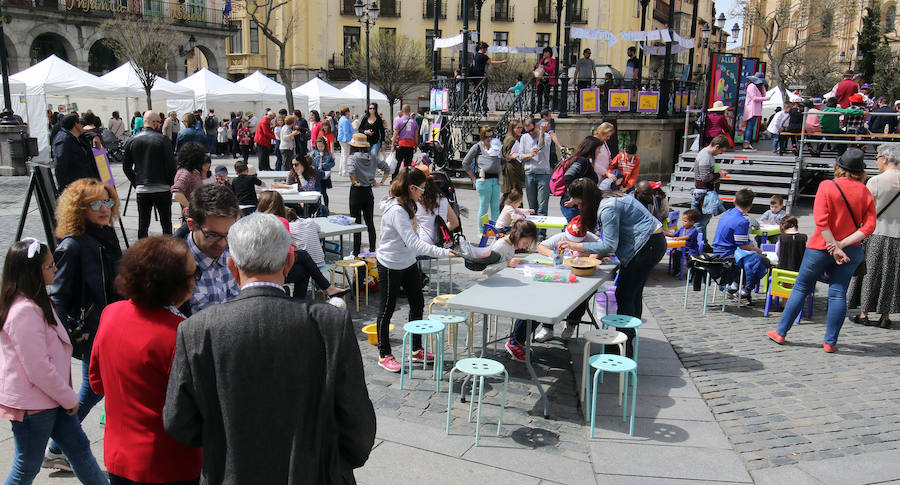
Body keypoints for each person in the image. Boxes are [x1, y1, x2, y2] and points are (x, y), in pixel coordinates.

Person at [163, 212, 376, 482]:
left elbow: (179, 421)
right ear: (289, 262)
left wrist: (223, 446)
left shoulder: (196, 329)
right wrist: (338, 463)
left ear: (231, 266)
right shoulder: (330, 323)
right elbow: (356, 419)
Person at [88, 237, 203, 485]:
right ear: (176, 284)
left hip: (119, 457)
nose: (196, 280)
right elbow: (192, 409)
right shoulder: (179, 333)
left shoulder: (111, 314)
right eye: (194, 274)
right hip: (169, 464)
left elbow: (97, 383)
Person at [0, 239, 108, 484]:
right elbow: (38, 368)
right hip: (36, 404)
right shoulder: (24, 311)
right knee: (27, 465)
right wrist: (69, 397)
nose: (55, 269)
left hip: (51, 398)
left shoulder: (35, 301)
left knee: (80, 450)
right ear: (32, 272)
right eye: (49, 266)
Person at [44, 178, 123, 472]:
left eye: (108, 201)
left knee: (98, 387)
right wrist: (59, 340)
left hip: (112, 323)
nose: (104, 209)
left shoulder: (106, 234)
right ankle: (56, 445)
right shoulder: (73, 245)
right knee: (94, 388)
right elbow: (58, 296)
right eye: (95, 204)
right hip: (91, 329)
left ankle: (56, 446)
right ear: (79, 209)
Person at [766, 148, 876, 352]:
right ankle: (830, 342)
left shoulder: (827, 186)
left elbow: (822, 222)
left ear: (839, 166)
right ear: (861, 171)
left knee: (801, 287)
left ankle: (781, 332)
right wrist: (841, 245)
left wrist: (833, 245)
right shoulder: (865, 191)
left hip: (820, 247)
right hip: (851, 249)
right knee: (838, 293)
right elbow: (868, 227)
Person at [560, 179, 666, 357]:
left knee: (625, 295)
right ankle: (628, 340)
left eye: (579, 204)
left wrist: (576, 246)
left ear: (586, 200)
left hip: (646, 246)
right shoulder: (606, 198)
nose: (578, 208)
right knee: (632, 294)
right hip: (651, 243)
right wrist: (592, 259)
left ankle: (622, 346)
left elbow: (609, 245)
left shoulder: (607, 208)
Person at [374, 168, 457, 372]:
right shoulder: (397, 210)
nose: (423, 193)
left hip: (408, 261)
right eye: (421, 189)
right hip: (390, 263)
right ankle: (384, 353)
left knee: (417, 303)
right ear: (411, 188)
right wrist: (445, 253)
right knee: (387, 308)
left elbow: (416, 237)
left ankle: (416, 348)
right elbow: (414, 243)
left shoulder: (410, 203)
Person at [509, 217, 598, 348]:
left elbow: (604, 248)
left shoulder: (592, 239)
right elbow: (541, 246)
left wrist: (591, 258)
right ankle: (547, 327)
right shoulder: (561, 237)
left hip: (582, 275)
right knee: (548, 296)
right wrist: (553, 255)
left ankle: (571, 324)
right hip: (560, 274)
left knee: (583, 296)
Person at [256, 191, 348, 300]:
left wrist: (289, 246)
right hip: (275, 270)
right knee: (304, 260)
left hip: (259, 269)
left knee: (304, 265)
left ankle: (326, 290)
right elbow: (284, 253)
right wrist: (290, 247)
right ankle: (321, 292)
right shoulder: (280, 221)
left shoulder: (257, 221)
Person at [848, 143, 900, 328]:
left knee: (869, 273)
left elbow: (863, 209)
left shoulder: (876, 181)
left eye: (877, 157)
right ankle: (885, 316)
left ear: (885, 159)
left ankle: (864, 313)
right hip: (898, 235)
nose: (876, 161)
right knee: (890, 276)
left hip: (876, 232)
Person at [123, 110, 177, 239]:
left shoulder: (132, 140)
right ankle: (168, 250)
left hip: (142, 187)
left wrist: (136, 181)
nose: (160, 124)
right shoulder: (163, 139)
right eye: (159, 122)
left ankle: (142, 251)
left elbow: (126, 167)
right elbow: (171, 165)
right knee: (166, 224)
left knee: (143, 224)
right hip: (162, 187)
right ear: (154, 123)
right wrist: (170, 183)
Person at [711, 188, 769, 302]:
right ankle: (745, 288)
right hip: (728, 254)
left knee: (753, 259)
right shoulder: (742, 221)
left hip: (717, 250)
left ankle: (737, 285)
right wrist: (757, 250)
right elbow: (743, 246)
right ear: (750, 206)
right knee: (762, 260)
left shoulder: (727, 213)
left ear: (734, 202)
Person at [348, 133, 390, 255]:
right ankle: (372, 250)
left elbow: (351, 171)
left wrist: (354, 181)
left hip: (357, 190)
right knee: (369, 223)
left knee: (356, 224)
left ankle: (356, 252)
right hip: (368, 191)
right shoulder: (372, 156)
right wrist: (381, 182)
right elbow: (386, 168)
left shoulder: (353, 157)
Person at [464, 125, 504, 232]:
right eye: (487, 137)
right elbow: (465, 163)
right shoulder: (478, 147)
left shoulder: (496, 147)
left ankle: (496, 231)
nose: (490, 139)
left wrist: (503, 155)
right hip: (483, 180)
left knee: (496, 207)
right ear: (482, 137)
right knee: (484, 207)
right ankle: (482, 231)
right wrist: (473, 178)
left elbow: (502, 162)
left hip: (495, 180)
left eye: (492, 136)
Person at [692, 134, 730, 242]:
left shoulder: (709, 156)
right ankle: (699, 244)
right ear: (717, 146)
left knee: (704, 221)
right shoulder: (705, 156)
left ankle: (703, 242)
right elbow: (704, 177)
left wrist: (718, 172)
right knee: (701, 222)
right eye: (721, 151)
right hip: (704, 193)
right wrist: (719, 175)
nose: (721, 153)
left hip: (707, 192)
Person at [414, 164, 460, 245]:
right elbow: (454, 223)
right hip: (440, 243)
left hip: (422, 243)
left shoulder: (416, 200)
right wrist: (440, 232)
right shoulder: (443, 199)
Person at [520, 118, 552, 234]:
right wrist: (529, 155)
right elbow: (521, 156)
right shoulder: (524, 137)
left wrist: (542, 133)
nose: (531, 133)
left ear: (537, 126)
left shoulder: (546, 136)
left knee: (542, 206)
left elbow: (542, 148)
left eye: (532, 130)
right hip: (529, 172)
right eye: (528, 131)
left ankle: (542, 234)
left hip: (543, 173)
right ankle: (533, 233)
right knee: (532, 206)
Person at [560, 136, 603, 221]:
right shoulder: (582, 161)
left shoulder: (584, 161)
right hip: (574, 208)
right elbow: (568, 177)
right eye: (599, 148)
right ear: (592, 148)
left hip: (577, 206)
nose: (600, 151)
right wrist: (574, 197)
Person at [53, 114, 100, 191]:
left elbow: (85, 133)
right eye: (81, 123)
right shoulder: (64, 140)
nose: (82, 126)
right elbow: (60, 165)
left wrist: (94, 135)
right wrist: (63, 188)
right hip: (76, 185)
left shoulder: (73, 136)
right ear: (76, 125)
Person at [171, 142, 209, 222]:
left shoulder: (191, 171)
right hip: (192, 217)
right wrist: (192, 207)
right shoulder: (185, 173)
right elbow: (176, 193)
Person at [665, 209, 701, 276]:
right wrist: (665, 233)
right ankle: (676, 271)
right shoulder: (682, 229)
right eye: (683, 220)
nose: (683, 222)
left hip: (690, 250)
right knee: (675, 254)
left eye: (685, 221)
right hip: (680, 248)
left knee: (691, 259)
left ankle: (691, 273)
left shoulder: (694, 230)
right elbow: (674, 234)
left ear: (692, 222)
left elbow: (687, 237)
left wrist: (678, 238)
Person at [741, 73, 771, 151]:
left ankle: (748, 143)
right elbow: (754, 98)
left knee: (751, 127)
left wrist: (763, 87)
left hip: (755, 110)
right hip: (751, 109)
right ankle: (746, 143)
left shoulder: (757, 87)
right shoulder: (751, 86)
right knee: (749, 127)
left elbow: (763, 95)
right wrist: (766, 99)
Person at [391, 104, 419, 179]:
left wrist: (393, 145)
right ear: (409, 111)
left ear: (402, 111)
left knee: (398, 162)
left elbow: (395, 134)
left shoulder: (399, 120)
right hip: (410, 145)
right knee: (408, 165)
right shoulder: (414, 122)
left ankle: (394, 179)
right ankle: (407, 179)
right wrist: (416, 146)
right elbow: (416, 135)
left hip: (401, 144)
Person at [500, 120, 525, 205]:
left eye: (521, 127)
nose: (520, 130)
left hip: (516, 167)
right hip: (511, 169)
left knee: (514, 191)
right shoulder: (510, 139)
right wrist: (511, 156)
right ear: (512, 128)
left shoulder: (515, 138)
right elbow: (506, 154)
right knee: (513, 191)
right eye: (518, 128)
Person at [311, 136, 335, 208]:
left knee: (324, 192)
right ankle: (319, 207)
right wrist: (314, 168)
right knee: (318, 192)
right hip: (317, 176)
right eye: (318, 146)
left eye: (322, 146)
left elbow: (332, 163)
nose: (320, 148)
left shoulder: (328, 154)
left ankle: (326, 207)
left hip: (325, 176)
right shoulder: (314, 154)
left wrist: (325, 165)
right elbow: (310, 163)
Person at [337, 106, 353, 176]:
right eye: (348, 111)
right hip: (345, 139)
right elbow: (346, 132)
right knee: (345, 155)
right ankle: (344, 171)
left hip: (342, 139)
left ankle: (341, 171)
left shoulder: (342, 119)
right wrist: (350, 140)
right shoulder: (346, 120)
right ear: (346, 112)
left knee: (343, 155)